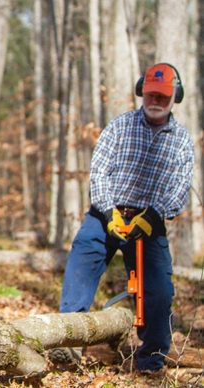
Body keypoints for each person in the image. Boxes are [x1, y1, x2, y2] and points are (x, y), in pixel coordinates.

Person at [52, 63, 194, 372]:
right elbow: (99, 171)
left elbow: (179, 187)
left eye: (163, 96)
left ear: (175, 97)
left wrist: (153, 217)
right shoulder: (120, 126)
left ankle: (152, 358)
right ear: (142, 92)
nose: (155, 100)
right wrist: (107, 211)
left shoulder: (181, 140)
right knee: (82, 259)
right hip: (106, 215)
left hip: (149, 221)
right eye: (151, 94)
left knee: (158, 291)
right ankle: (68, 344)